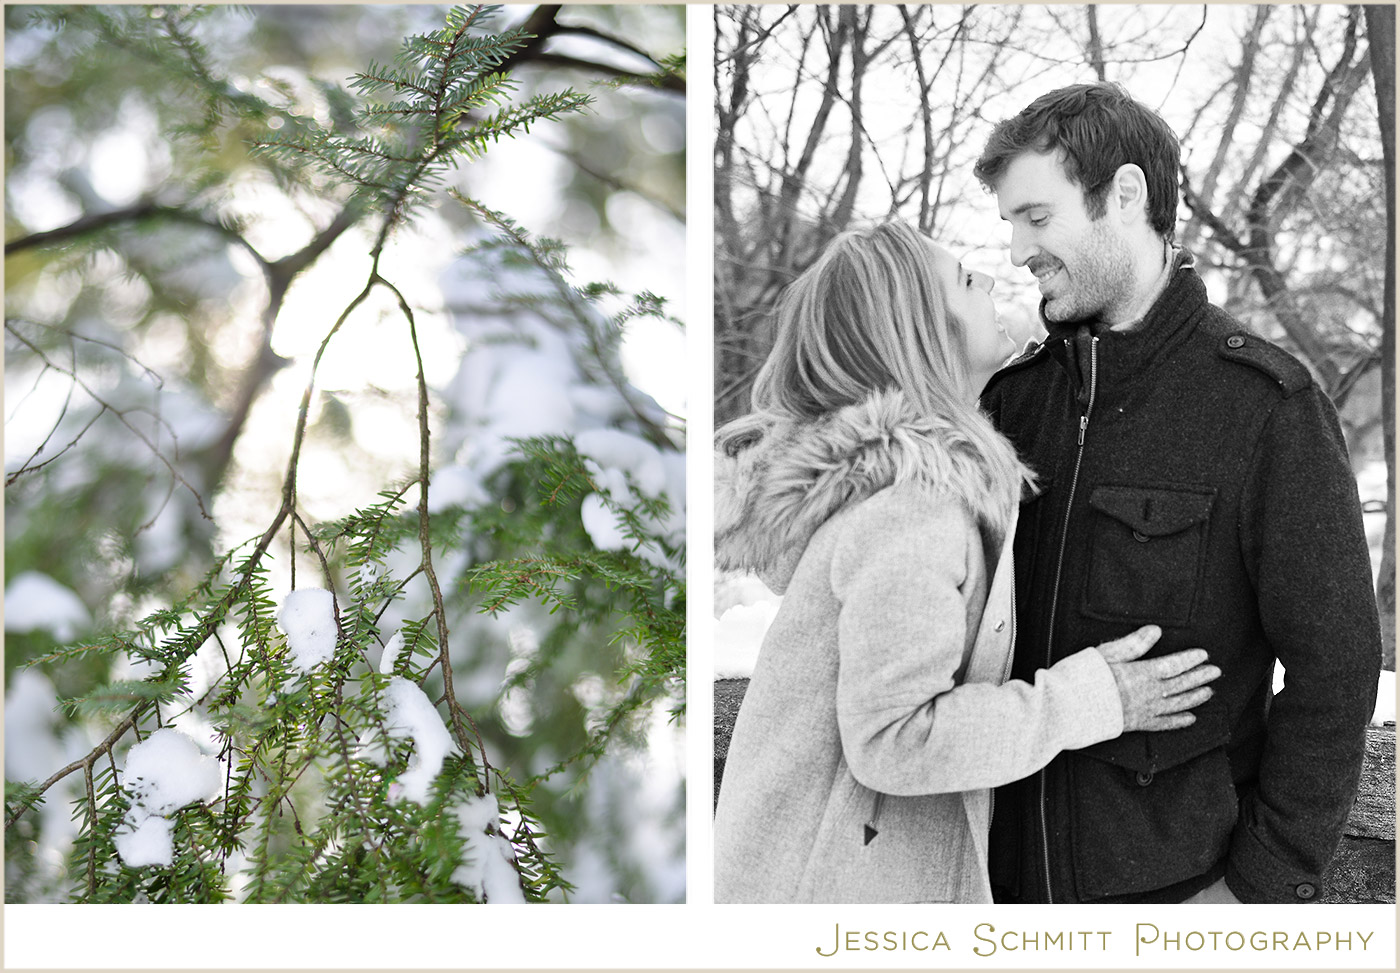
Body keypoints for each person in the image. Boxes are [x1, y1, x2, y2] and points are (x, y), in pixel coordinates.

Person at [712, 220, 1220, 903]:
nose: (986, 278)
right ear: (919, 330)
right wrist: (1091, 699)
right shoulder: (912, 504)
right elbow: (896, 736)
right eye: (962, 279)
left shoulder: (891, 485)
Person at [974, 82, 1382, 904]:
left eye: (1037, 217)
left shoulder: (1264, 405)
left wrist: (1252, 890)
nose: (1018, 250)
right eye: (1010, 222)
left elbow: (1335, 668)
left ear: (1124, 195)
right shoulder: (1008, 401)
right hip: (990, 888)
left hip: (1171, 894)